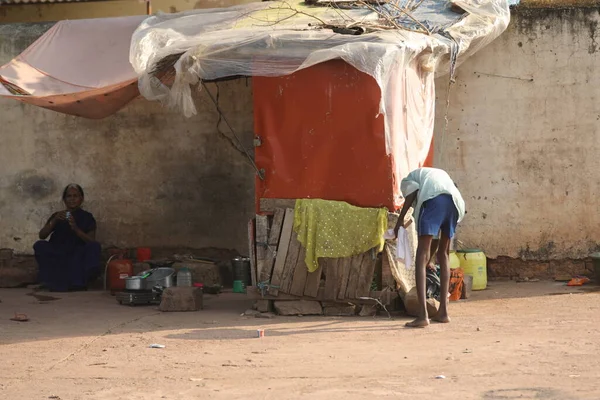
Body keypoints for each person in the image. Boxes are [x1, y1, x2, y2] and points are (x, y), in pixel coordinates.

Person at [394, 168, 465, 328]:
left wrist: (399, 222)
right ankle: (443, 313)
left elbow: (411, 194)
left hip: (434, 201)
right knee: (444, 254)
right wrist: (429, 259)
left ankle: (423, 315)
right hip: (454, 203)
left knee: (420, 256)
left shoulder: (408, 180)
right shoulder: (437, 175)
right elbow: (435, 239)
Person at [34, 184, 101, 292]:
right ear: (64, 199)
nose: (72, 199)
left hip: (77, 252)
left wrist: (76, 229)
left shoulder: (87, 217)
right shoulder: (57, 215)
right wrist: (54, 220)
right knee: (39, 245)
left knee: (94, 247)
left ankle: (79, 282)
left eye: (76, 196)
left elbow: (91, 241)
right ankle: (51, 280)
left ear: (81, 199)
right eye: (69, 196)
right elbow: (42, 235)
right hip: (59, 251)